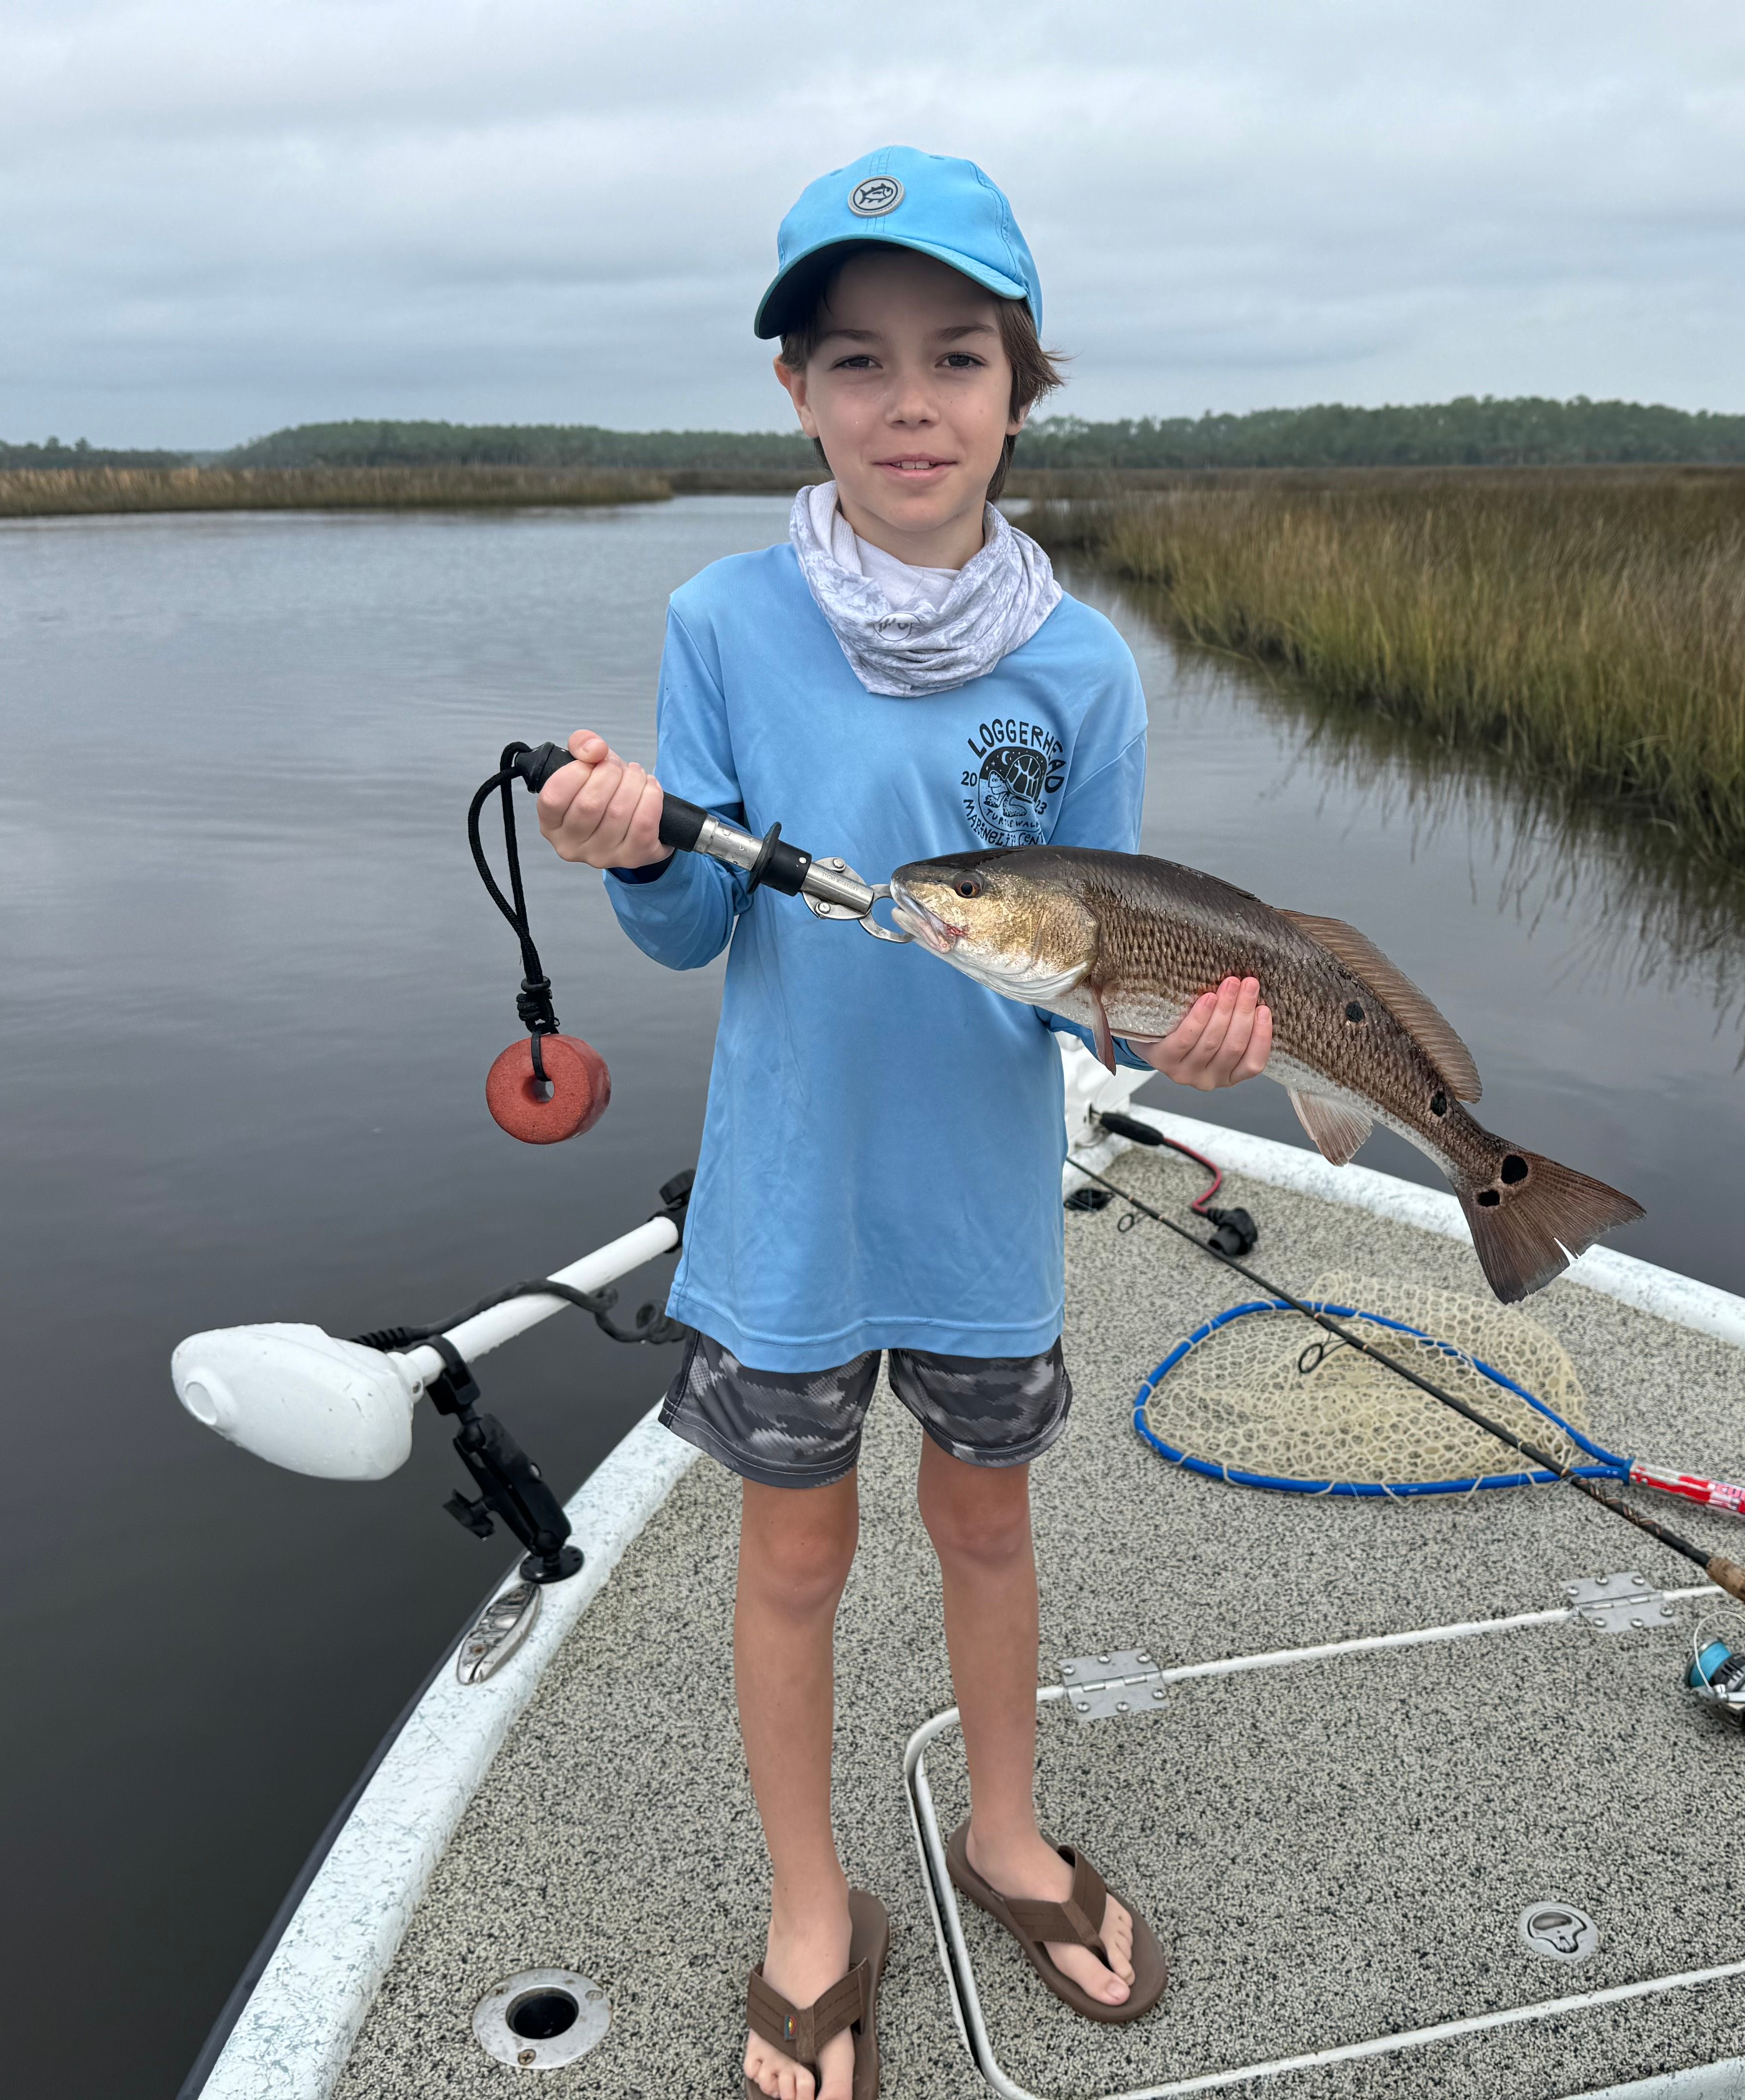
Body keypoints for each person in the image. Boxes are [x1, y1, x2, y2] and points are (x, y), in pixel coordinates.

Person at [534, 147, 1273, 2100]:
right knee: (790, 1557)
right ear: (797, 394)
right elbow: (698, 924)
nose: (912, 403)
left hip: (978, 1211)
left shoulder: (1082, 664)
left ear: (1023, 389)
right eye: (857, 363)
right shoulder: (725, 619)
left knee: (988, 1525)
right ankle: (812, 1907)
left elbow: (1118, 965)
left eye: (959, 357)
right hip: (786, 1213)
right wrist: (628, 848)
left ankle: (1005, 1832)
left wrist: (1189, 1044)